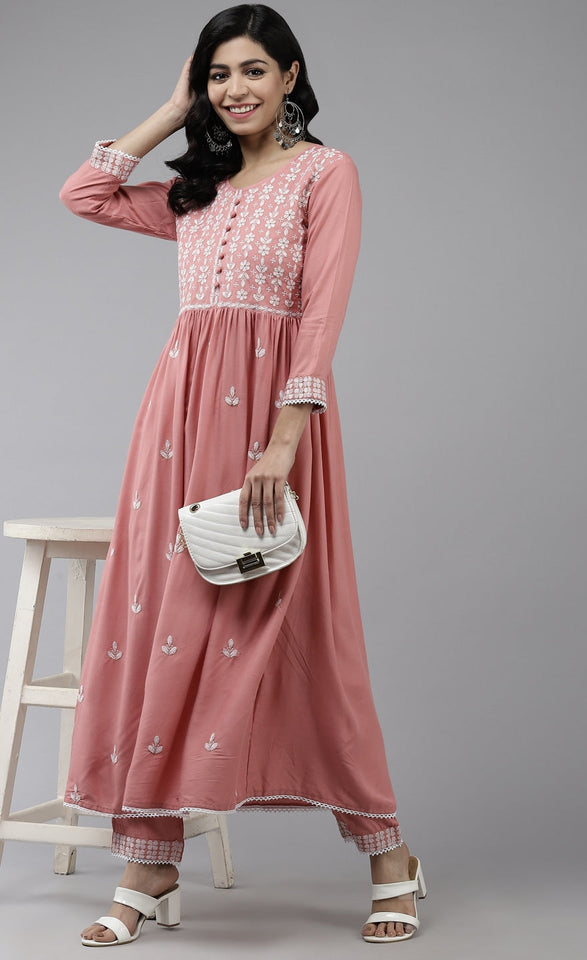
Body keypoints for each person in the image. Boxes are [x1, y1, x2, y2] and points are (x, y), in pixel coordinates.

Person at [58, 3, 426, 947]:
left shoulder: (325, 173)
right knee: (164, 626)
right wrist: (170, 110)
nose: (236, 89)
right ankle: (149, 860)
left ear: (291, 76)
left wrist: (285, 438)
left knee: (305, 633)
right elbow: (85, 194)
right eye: (218, 75)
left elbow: (323, 308)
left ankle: (389, 855)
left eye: (254, 70)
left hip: (273, 424)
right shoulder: (197, 190)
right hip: (178, 427)